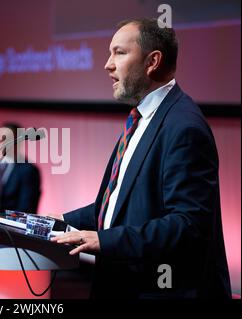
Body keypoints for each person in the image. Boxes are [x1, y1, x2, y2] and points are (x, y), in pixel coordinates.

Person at [51, 18, 231, 299]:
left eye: (119, 53)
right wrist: (60, 220)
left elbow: (187, 225)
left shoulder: (184, 127)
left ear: (152, 61)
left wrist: (104, 240)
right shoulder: (142, 119)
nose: (107, 64)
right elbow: (119, 203)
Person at [0, 123, 41, 214]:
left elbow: (26, 208)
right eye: (1, 139)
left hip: (9, 224)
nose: (3, 143)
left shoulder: (28, 170)